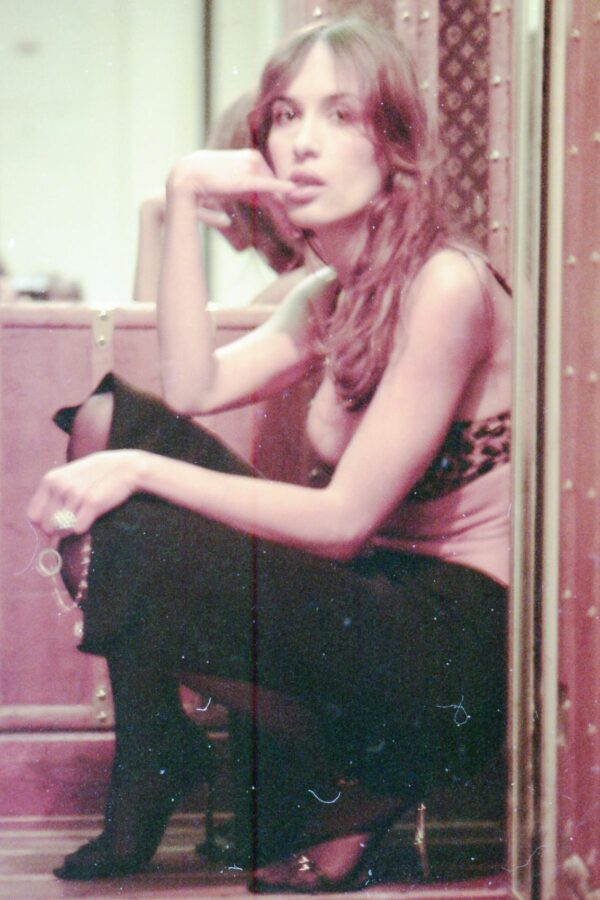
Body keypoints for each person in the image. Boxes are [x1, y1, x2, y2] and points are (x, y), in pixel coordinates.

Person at [29, 17, 511, 893]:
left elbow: (341, 522)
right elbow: (191, 385)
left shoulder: (448, 284)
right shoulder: (330, 296)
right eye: (286, 115)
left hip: (449, 652)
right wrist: (182, 197)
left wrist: (137, 472)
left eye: (340, 114)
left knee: (127, 521)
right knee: (111, 420)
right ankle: (161, 746)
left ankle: (364, 776)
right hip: (373, 603)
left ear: (395, 145)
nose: (304, 142)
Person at [132, 90, 308, 307]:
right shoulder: (308, 279)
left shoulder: (298, 287)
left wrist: (153, 215)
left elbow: (150, 329)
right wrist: (152, 212)